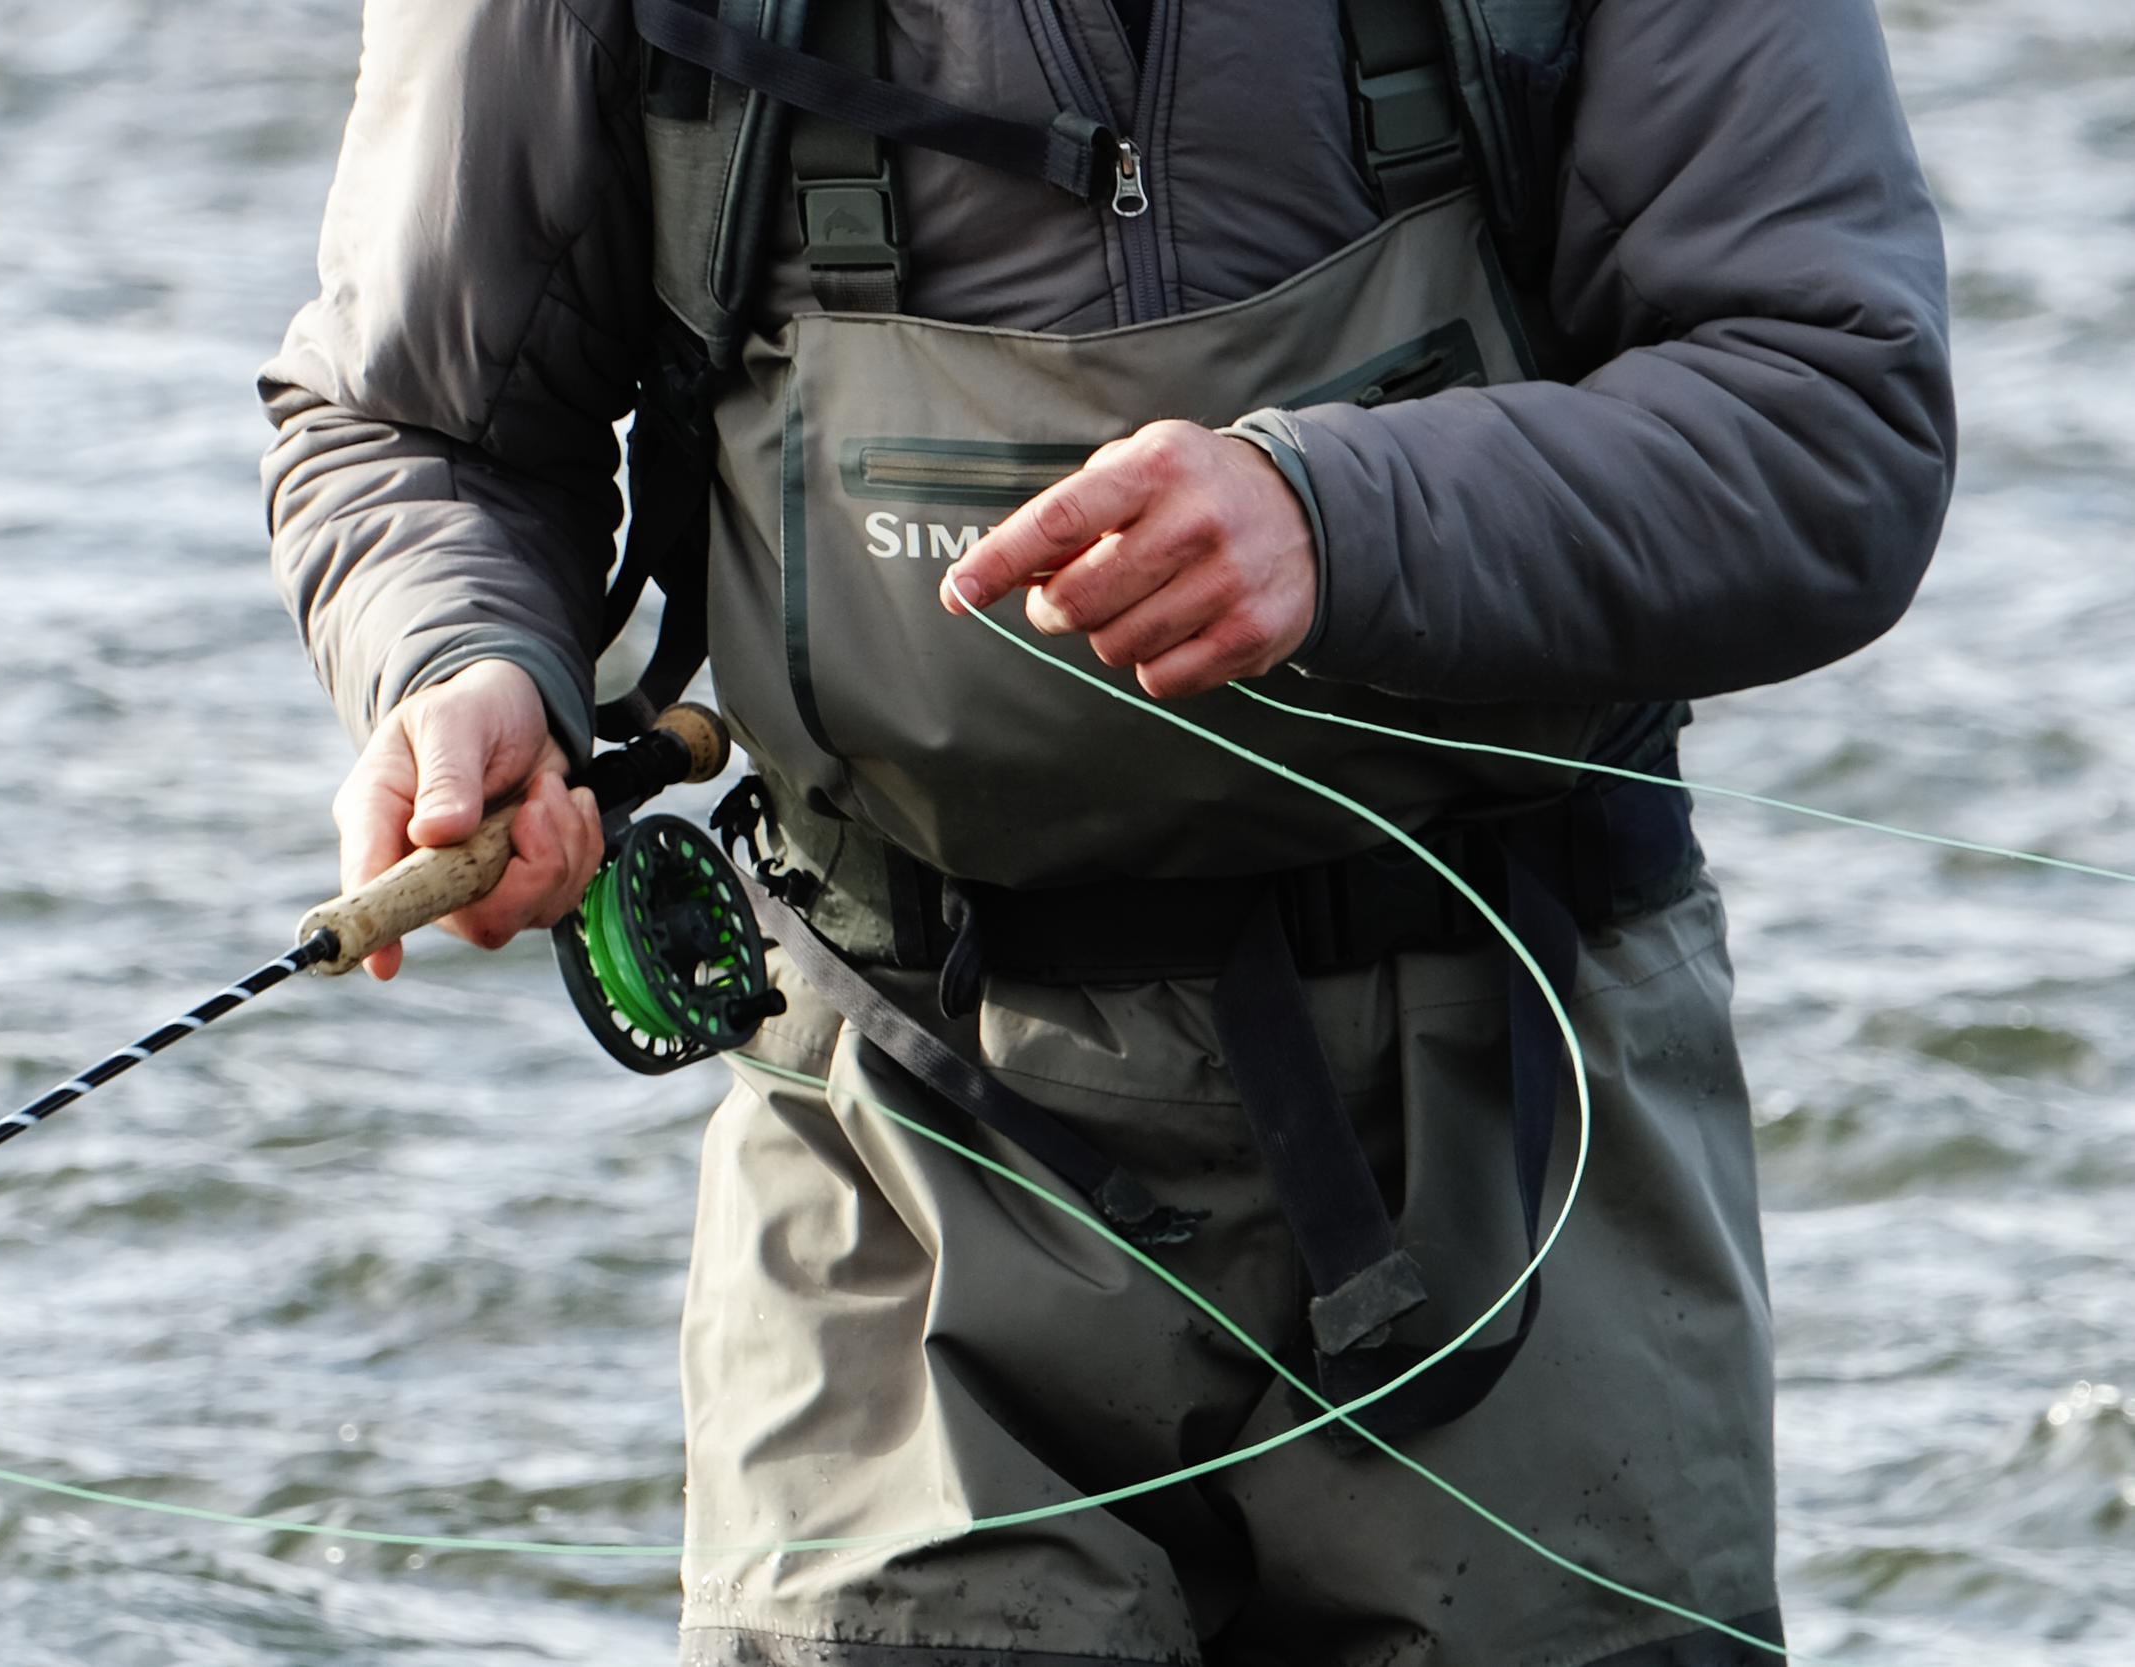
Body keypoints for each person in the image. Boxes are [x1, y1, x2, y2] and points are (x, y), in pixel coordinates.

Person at [260, 0, 1954, 1660]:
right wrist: (462, 660)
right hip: (901, 1127)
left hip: (1524, 1100)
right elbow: (417, 428)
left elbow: (1831, 410)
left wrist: (1340, 518)